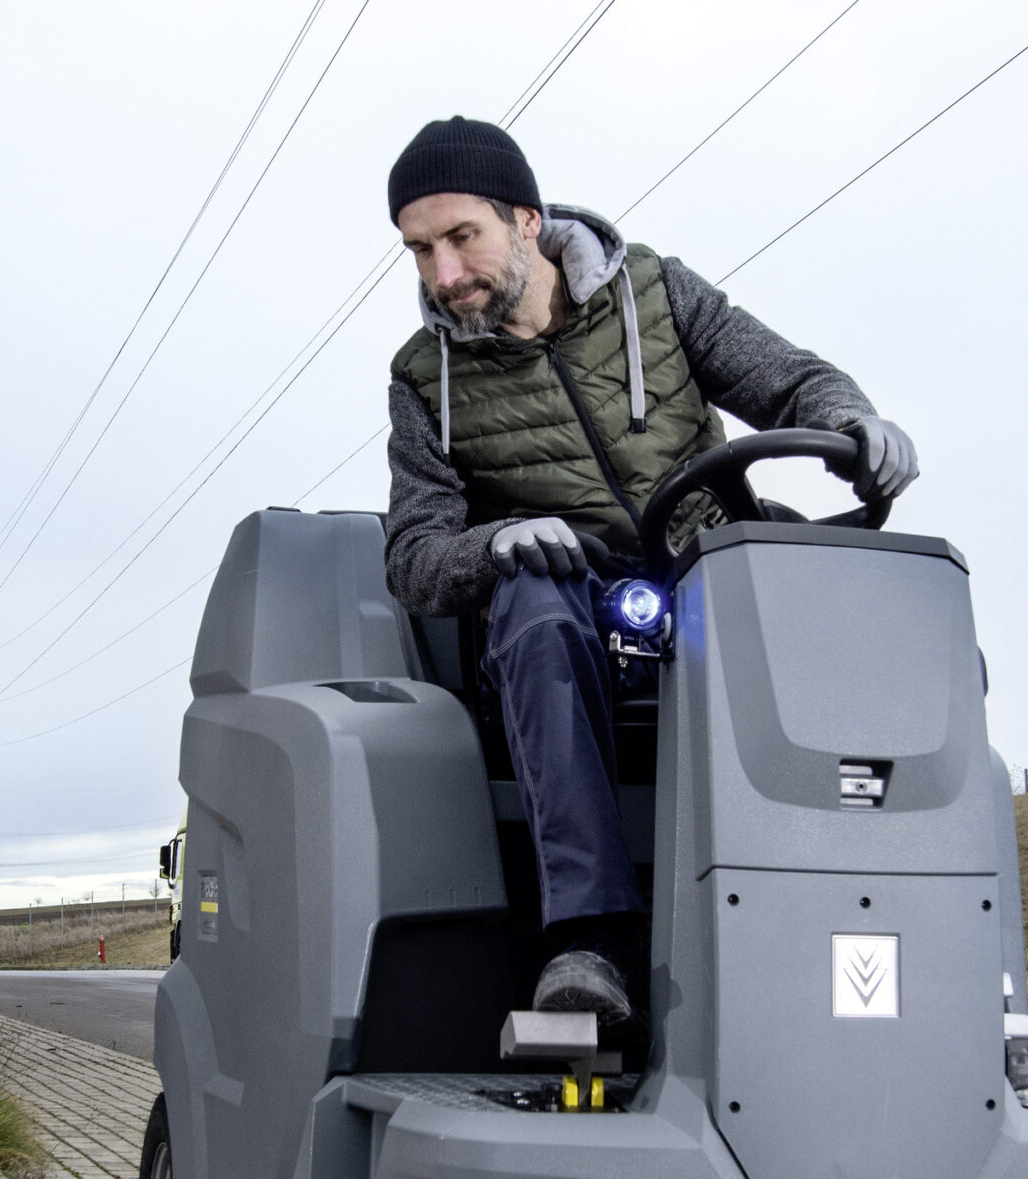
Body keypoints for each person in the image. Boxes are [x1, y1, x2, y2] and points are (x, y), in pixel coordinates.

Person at [382, 116, 919, 1028]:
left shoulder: (656, 294)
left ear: (525, 219)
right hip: (572, 608)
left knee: (879, 615)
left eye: (461, 237)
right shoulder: (422, 381)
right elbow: (415, 555)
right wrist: (498, 542)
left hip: (707, 570)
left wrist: (853, 421)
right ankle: (593, 945)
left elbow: (789, 379)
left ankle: (893, 914)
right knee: (534, 603)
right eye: (420, 250)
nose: (443, 274)